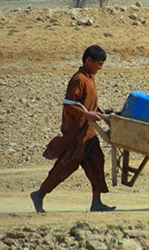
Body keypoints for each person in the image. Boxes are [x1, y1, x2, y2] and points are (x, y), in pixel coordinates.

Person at [31, 44, 116, 213]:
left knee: (97, 163)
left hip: (89, 134)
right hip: (76, 135)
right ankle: (40, 194)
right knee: (66, 166)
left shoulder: (90, 78)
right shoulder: (79, 80)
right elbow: (69, 105)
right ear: (88, 61)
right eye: (99, 63)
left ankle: (96, 202)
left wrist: (102, 112)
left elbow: (86, 104)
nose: (101, 67)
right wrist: (87, 115)